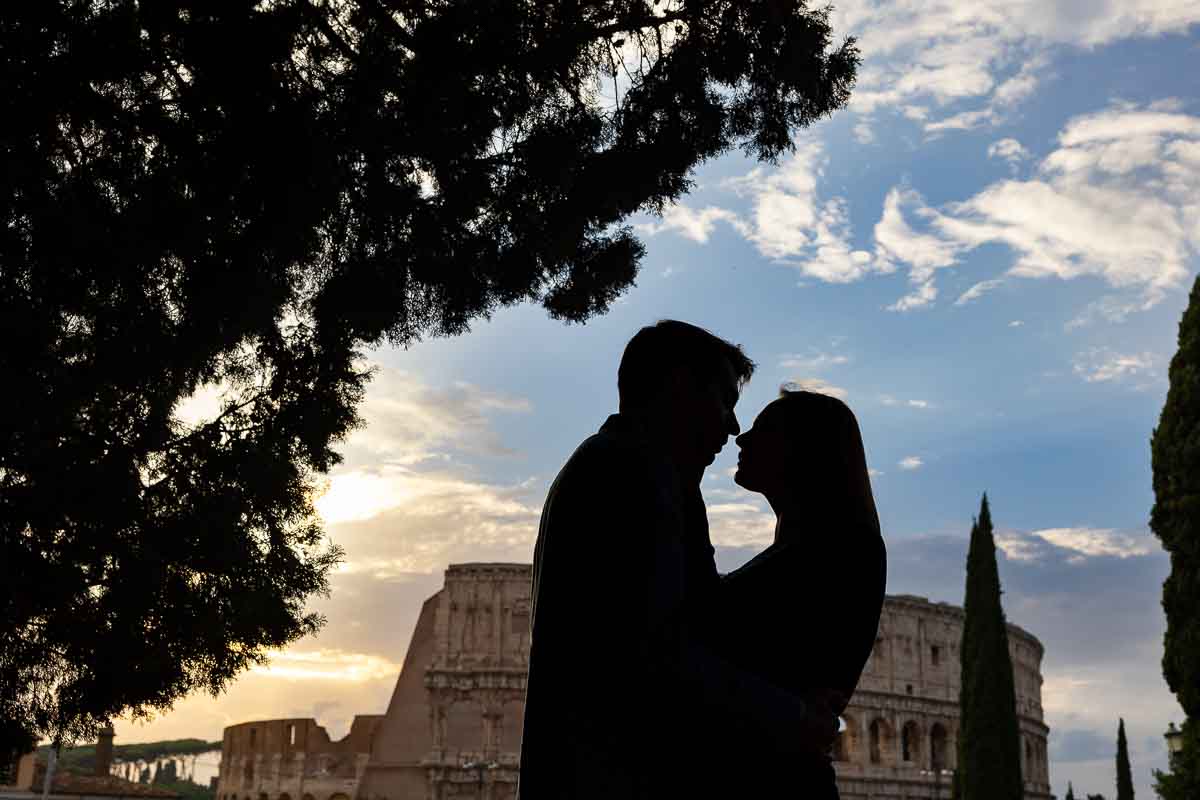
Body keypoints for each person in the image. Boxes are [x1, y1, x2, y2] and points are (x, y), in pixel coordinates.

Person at [517, 322, 839, 800]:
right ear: (679, 388)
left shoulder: (623, 467)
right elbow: (654, 652)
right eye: (725, 401)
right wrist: (794, 717)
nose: (732, 428)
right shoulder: (633, 475)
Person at [707, 388, 888, 797]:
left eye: (763, 430)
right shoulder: (823, 546)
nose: (742, 438)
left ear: (804, 450)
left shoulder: (838, 548)